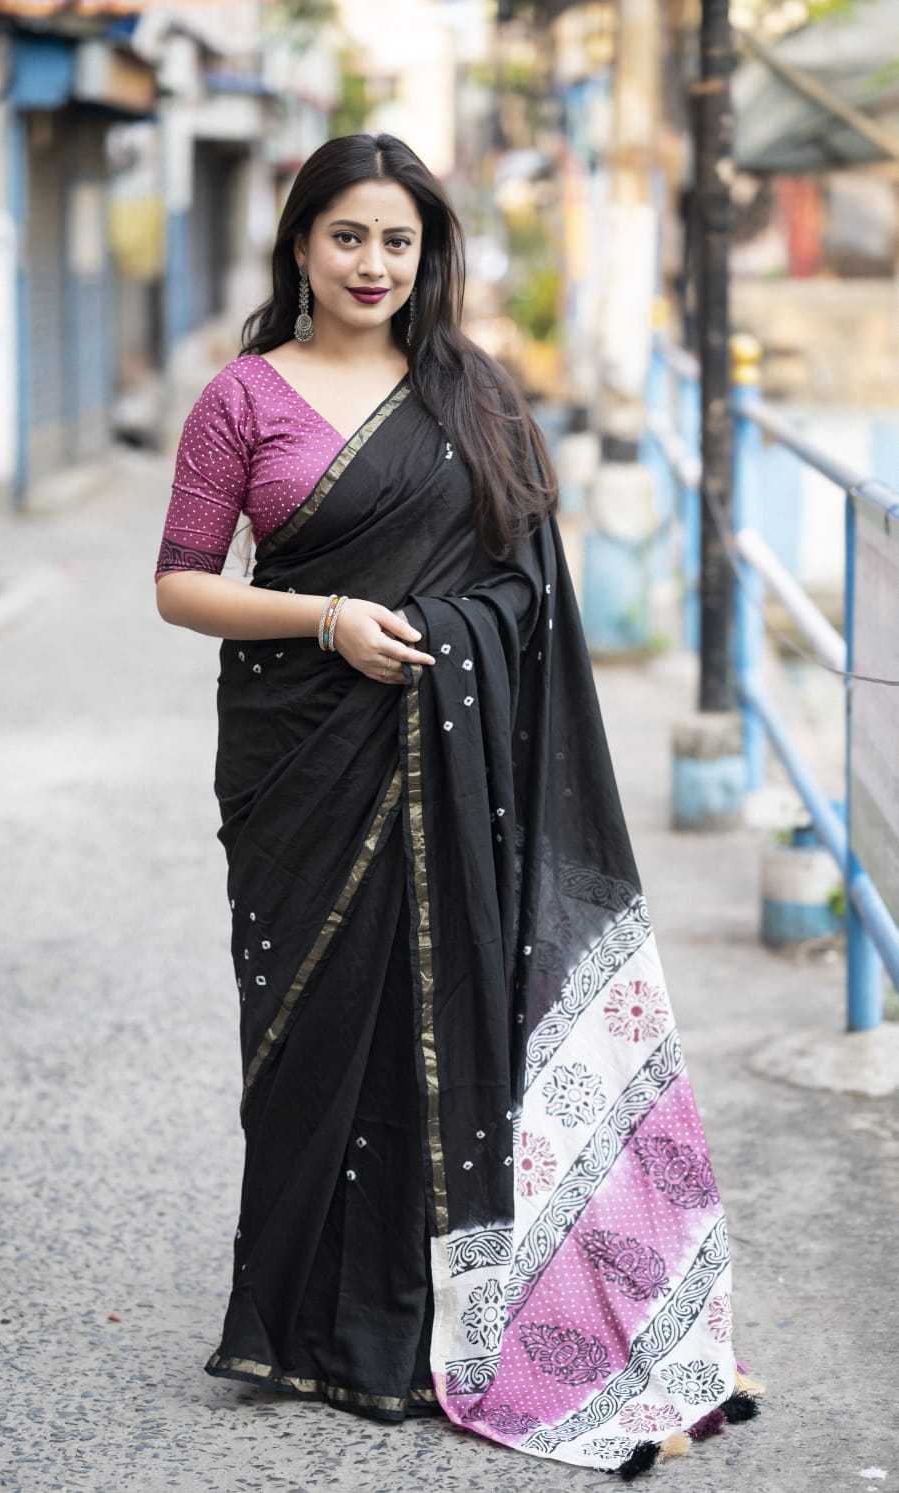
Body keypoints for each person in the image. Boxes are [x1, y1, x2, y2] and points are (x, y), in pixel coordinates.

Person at [153, 132, 765, 1480]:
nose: (372, 264)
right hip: (302, 761)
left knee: (450, 1020)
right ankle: (308, 1324)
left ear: (427, 254)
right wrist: (327, 619)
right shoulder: (241, 398)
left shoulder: (474, 396)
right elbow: (182, 584)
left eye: (398, 240)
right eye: (347, 236)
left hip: (449, 758)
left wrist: (436, 634)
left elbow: (523, 592)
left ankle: (455, 1315)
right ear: (300, 245)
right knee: (309, 1036)